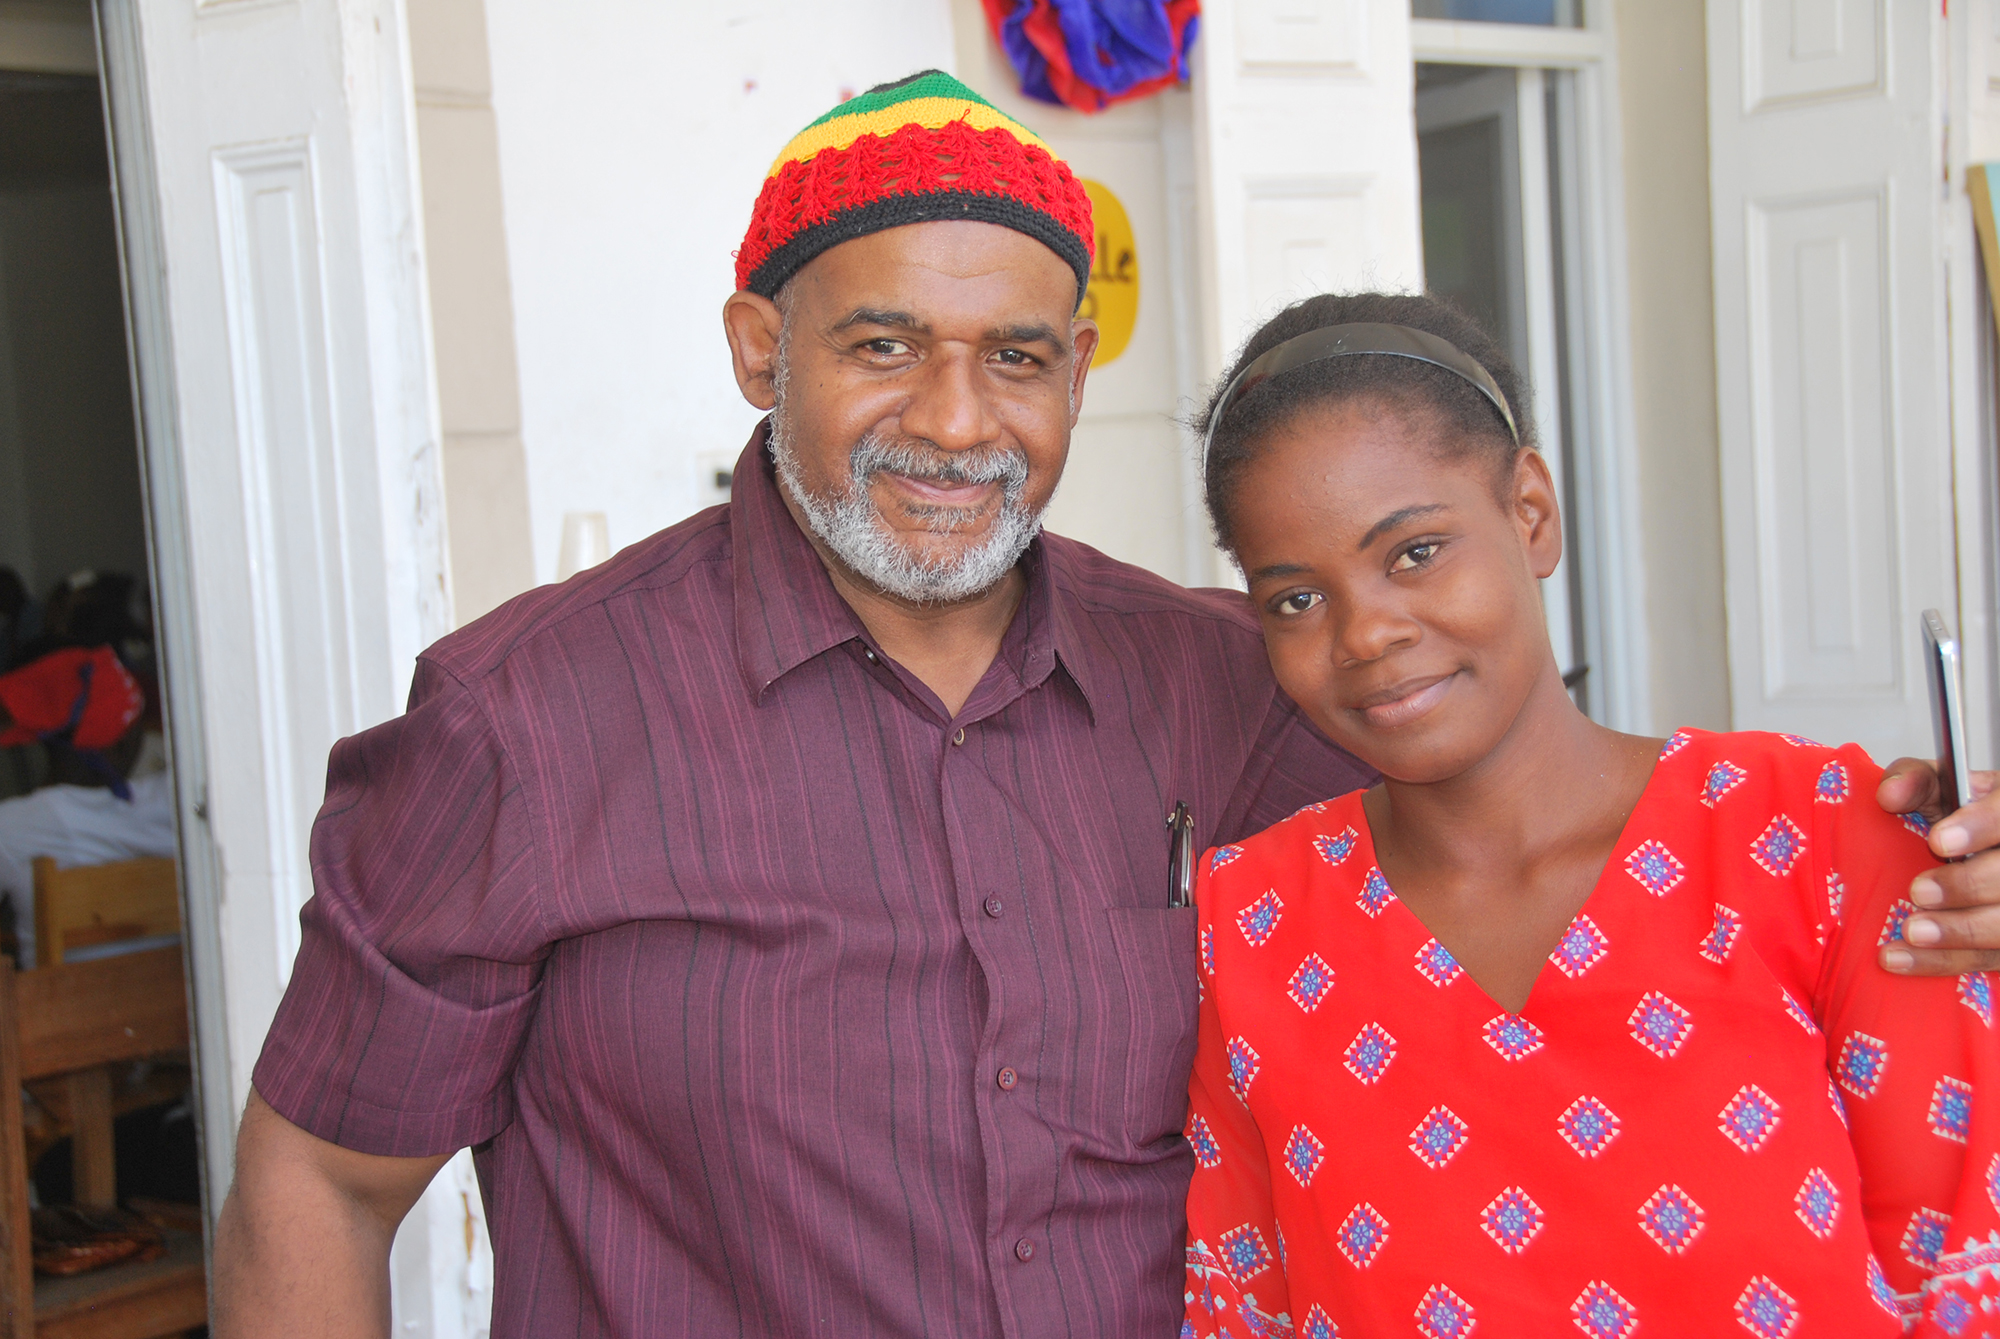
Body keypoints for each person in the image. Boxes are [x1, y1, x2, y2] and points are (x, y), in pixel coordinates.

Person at [214, 73, 2000, 1339]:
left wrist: (1903, 852)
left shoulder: (1226, 675)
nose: (956, 419)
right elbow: (322, 1176)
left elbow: (1530, 814)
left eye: (1017, 355)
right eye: (882, 345)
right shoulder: (525, 719)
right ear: (762, 349)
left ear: (1078, 368)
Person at [1180, 292, 1999, 1337]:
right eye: (1295, 598)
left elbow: (1958, 1273)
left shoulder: (1814, 839)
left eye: (1415, 551)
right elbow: (1242, 1309)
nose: (1366, 633)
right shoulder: (1250, 925)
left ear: (1530, 513)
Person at [0, 645, 173, 968]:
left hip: (58, 998)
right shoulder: (180, 801)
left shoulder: (16, 828)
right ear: (125, 744)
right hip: (176, 993)